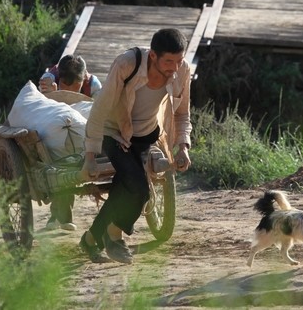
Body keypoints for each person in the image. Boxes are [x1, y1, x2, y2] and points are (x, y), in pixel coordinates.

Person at [78, 28, 192, 264]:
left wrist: (183, 147)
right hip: (114, 132)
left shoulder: (182, 71)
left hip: (145, 134)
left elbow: (182, 113)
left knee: (124, 187)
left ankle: (90, 239)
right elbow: (99, 110)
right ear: (153, 56)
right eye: (168, 61)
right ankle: (114, 237)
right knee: (140, 191)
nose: (174, 67)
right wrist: (90, 156)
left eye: (178, 61)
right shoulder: (127, 64)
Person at [41, 54, 100, 231]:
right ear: (59, 80)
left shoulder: (94, 84)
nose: (72, 94)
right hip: (59, 131)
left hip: (84, 136)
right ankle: (60, 215)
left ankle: (59, 215)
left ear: (84, 79)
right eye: (65, 89)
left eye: (77, 88)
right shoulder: (50, 77)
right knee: (61, 160)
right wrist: (50, 92)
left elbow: (101, 107)